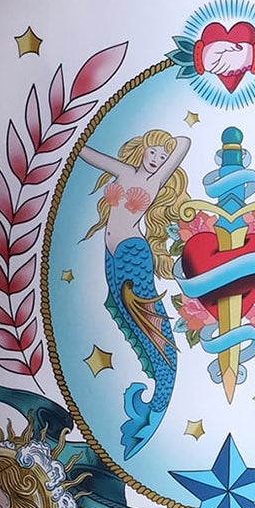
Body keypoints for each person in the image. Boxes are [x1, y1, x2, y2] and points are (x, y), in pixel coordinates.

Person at [79, 129, 191, 454]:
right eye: (152, 151)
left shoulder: (153, 183)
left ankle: (160, 389)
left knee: (146, 321)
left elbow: (182, 145)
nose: (155, 159)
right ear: (141, 149)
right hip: (112, 253)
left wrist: (169, 147)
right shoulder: (125, 172)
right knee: (124, 314)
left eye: (160, 155)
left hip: (132, 252)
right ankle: (156, 389)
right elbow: (90, 155)